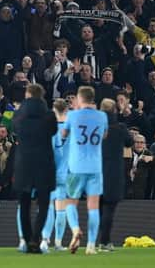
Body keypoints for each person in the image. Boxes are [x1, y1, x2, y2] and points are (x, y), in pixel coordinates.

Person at [62, 86, 108, 255]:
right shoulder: (102, 116)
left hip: (76, 166)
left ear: (80, 99)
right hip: (95, 166)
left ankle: (75, 230)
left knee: (70, 202)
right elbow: (104, 135)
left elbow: (64, 134)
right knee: (93, 206)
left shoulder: (73, 115)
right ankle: (91, 245)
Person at [12, 84, 57, 254]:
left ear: (28, 95)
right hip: (44, 162)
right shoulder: (49, 116)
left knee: (24, 203)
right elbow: (53, 132)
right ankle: (36, 238)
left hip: (24, 162)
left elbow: (15, 130)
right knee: (44, 203)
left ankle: (27, 236)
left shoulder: (19, 116)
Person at [98, 99, 132, 251]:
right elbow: (129, 142)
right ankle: (105, 242)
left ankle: (95, 240)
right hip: (114, 173)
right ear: (114, 110)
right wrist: (123, 117)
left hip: (96, 171)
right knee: (109, 209)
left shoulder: (96, 128)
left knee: (96, 208)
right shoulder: (120, 127)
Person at [40, 98, 69, 253]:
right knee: (61, 208)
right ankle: (58, 243)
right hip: (65, 173)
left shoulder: (49, 129)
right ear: (66, 110)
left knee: (48, 206)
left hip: (49, 171)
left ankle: (45, 240)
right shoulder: (72, 130)